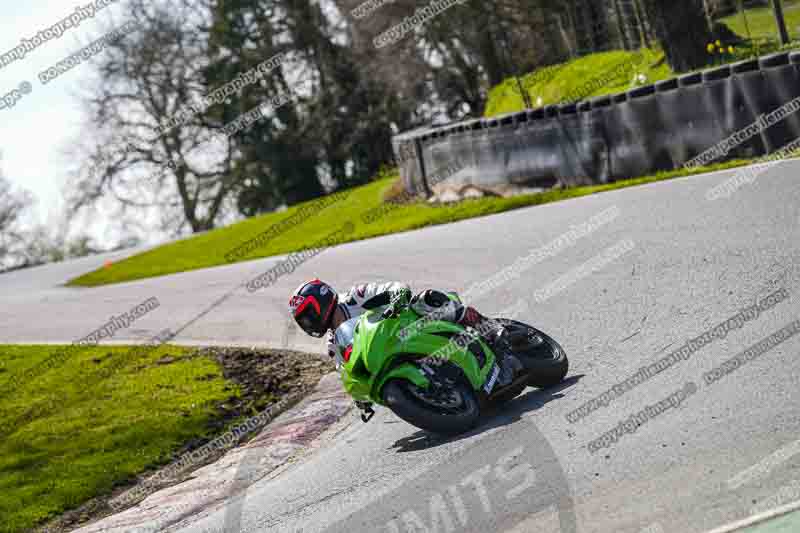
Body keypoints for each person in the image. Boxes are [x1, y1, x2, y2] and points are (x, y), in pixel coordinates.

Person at [288, 279, 519, 389]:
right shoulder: (333, 345)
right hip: (391, 354)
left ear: (322, 300)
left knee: (427, 299)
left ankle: (490, 329)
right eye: (302, 321)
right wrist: (360, 396)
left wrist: (397, 298)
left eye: (308, 315)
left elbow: (394, 287)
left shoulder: (356, 297)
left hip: (411, 325)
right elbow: (349, 373)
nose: (308, 323)